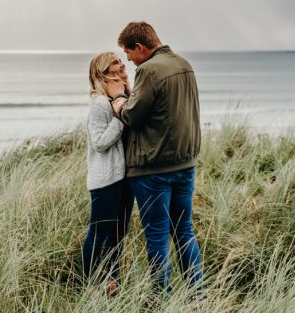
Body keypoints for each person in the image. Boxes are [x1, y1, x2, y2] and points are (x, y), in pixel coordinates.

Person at [111, 21, 204, 295]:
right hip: (185, 164)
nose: (129, 60)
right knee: (184, 231)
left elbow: (132, 116)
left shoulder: (149, 70)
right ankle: (197, 295)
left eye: (128, 53)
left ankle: (161, 299)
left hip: (154, 168)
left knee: (157, 237)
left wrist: (118, 99)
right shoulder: (184, 64)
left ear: (140, 47)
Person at [82, 52, 134, 294]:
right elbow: (100, 142)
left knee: (118, 234)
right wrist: (119, 116)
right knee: (98, 234)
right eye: (115, 62)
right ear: (103, 73)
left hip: (123, 178)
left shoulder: (119, 99)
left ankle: (113, 284)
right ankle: (90, 285)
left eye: (120, 60)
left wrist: (125, 95)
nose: (121, 63)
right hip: (106, 180)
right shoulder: (100, 103)